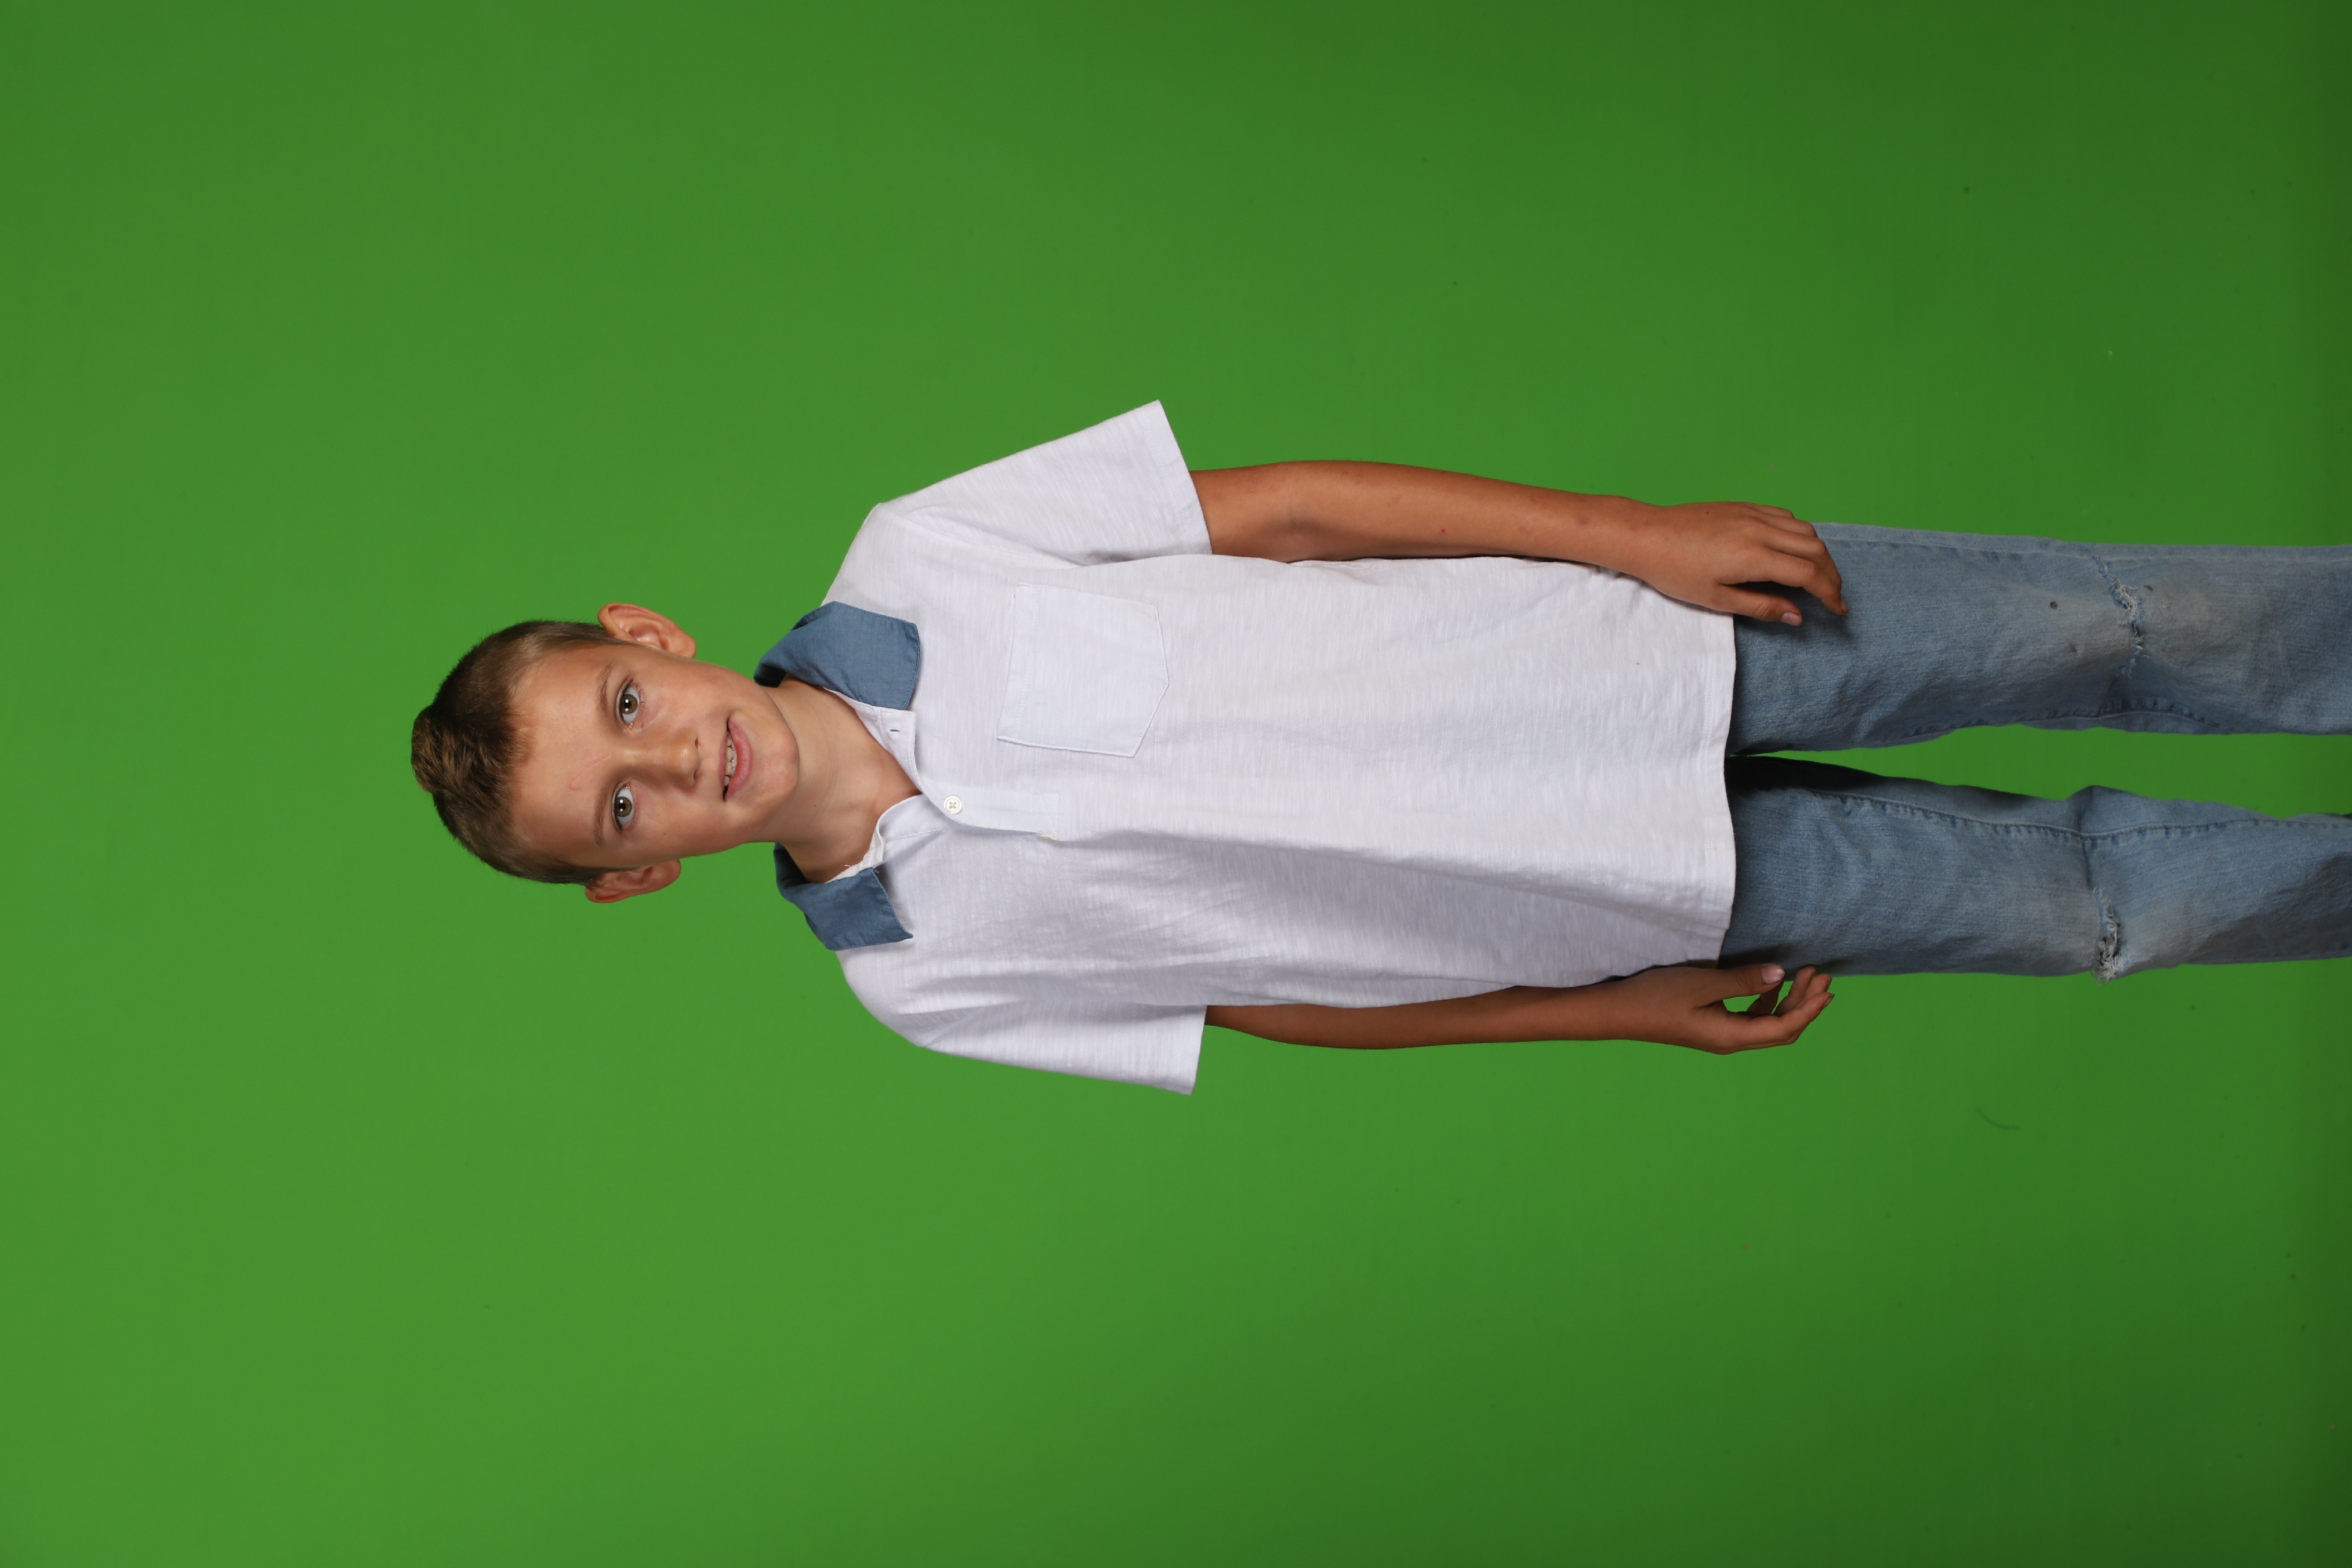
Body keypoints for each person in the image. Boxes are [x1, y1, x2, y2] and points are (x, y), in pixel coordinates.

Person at [409, 404, 2352, 1093]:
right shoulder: (918, 984)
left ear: (647, 638)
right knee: (2094, 907)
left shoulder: (922, 555)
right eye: (622, 806)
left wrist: (1633, 538)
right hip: (1628, 896)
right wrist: (1611, 1012)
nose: (673, 761)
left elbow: (1296, 513)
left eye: (629, 710)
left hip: (1636, 651)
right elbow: (1269, 1005)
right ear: (634, 875)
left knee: (2110, 625)